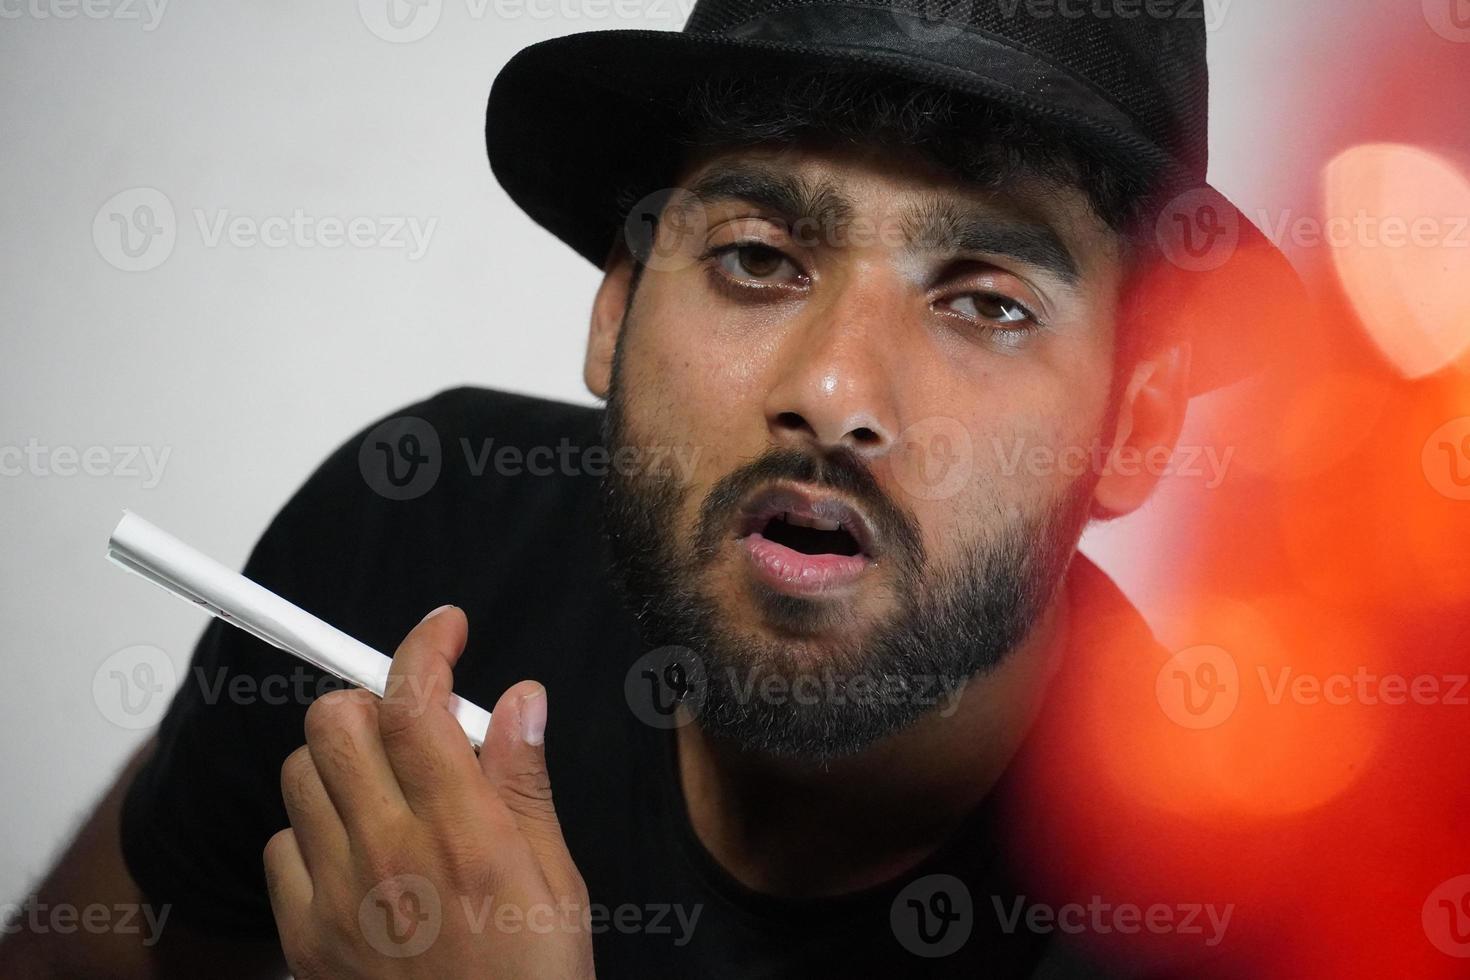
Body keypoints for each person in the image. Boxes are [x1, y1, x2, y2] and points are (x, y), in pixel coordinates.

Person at [0, 0, 1301, 976]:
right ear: (615, 311)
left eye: (983, 301)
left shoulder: (1215, 918)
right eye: (758, 257)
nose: (834, 388)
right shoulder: (418, 533)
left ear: (1134, 423)